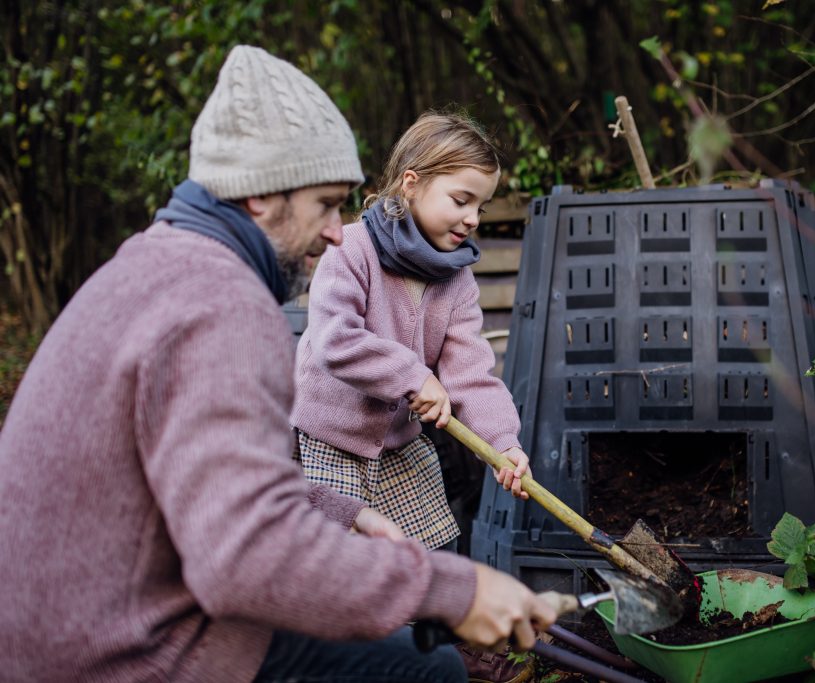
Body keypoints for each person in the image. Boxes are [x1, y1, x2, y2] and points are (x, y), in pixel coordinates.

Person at [0, 45, 555, 683]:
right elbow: (245, 559)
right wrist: (452, 592)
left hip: (98, 617)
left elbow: (208, 492)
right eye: (324, 204)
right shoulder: (224, 309)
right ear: (261, 198)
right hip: (121, 653)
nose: (333, 231)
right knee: (428, 674)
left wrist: (341, 514)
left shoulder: (151, 265)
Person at [291, 112, 531, 557]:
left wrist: (504, 444)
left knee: (431, 561)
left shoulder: (457, 281)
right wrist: (414, 376)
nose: (473, 218)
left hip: (398, 449)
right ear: (411, 183)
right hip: (328, 443)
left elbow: (470, 376)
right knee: (340, 567)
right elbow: (335, 341)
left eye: (481, 207)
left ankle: (428, 626)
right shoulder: (350, 250)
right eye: (461, 200)